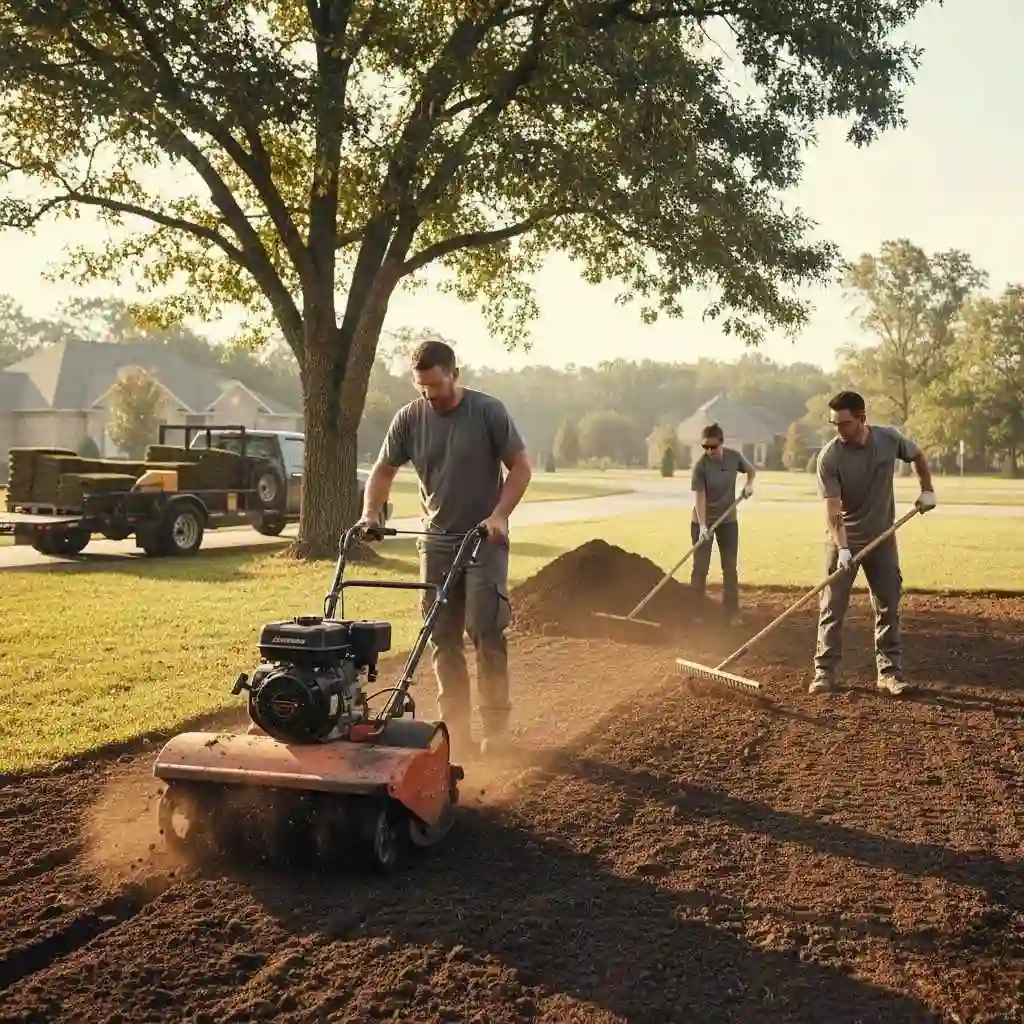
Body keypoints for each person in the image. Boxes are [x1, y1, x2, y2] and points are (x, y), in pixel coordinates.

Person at [357, 337, 532, 759]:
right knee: (442, 636)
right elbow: (383, 470)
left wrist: (500, 516)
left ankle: (496, 727)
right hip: (435, 541)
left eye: (435, 385)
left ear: (455, 373)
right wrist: (370, 514)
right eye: (421, 386)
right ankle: (455, 728)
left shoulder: (488, 411)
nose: (428, 394)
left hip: (483, 540)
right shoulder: (409, 418)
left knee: (485, 630)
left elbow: (521, 468)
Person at [810, 390, 936, 697]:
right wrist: (842, 548)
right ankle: (824, 672)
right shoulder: (830, 457)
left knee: (888, 605)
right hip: (844, 542)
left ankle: (889, 673)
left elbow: (917, 456)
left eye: (844, 424)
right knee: (832, 607)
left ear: (862, 419)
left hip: (882, 538)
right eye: (834, 424)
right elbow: (833, 510)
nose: (838, 430)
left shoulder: (889, 439)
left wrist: (927, 489)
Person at [689, 422, 756, 625]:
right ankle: (696, 613)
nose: (709, 451)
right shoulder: (701, 467)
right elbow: (700, 498)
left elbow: (751, 471)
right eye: (705, 447)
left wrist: (749, 485)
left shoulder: (734, 457)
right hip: (702, 522)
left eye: (713, 446)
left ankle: (731, 613)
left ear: (721, 443)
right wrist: (702, 526)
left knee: (730, 567)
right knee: (700, 568)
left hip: (727, 521)